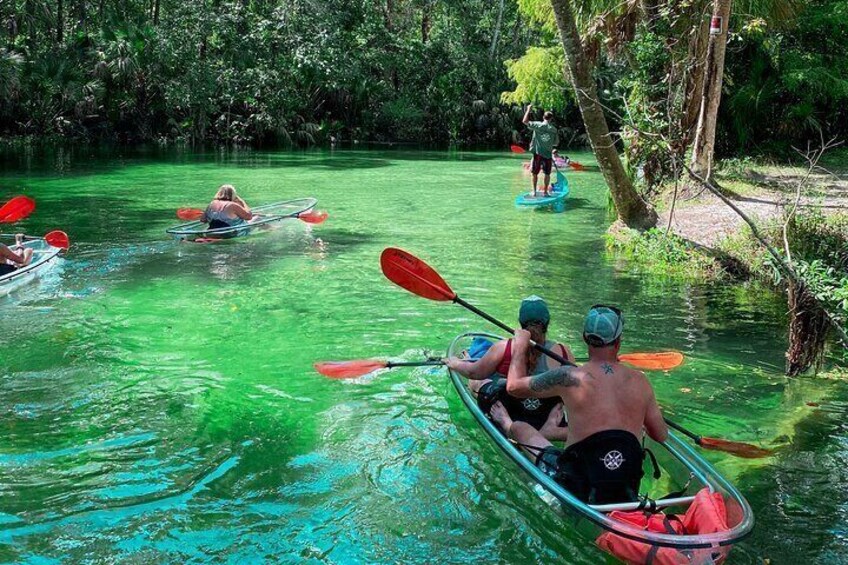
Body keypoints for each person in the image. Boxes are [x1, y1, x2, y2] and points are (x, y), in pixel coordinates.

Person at [494, 305, 668, 505]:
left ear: (585, 338)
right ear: (618, 341)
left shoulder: (569, 377)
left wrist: (520, 347)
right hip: (625, 488)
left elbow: (513, 387)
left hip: (577, 487)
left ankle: (506, 423)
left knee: (519, 427)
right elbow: (661, 435)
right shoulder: (641, 381)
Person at [444, 296, 574, 441]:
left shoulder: (504, 347)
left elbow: (473, 372)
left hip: (507, 413)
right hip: (547, 418)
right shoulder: (563, 352)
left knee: (480, 382)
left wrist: (455, 363)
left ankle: (467, 358)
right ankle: (548, 432)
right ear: (547, 323)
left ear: (521, 323)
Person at [522, 105, 560, 197]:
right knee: (547, 174)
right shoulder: (554, 129)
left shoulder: (537, 125)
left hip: (538, 154)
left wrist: (528, 110)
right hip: (548, 155)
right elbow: (556, 143)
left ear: (543, 117)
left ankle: (534, 192)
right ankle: (545, 192)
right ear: (551, 119)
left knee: (535, 173)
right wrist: (548, 141)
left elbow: (524, 121)